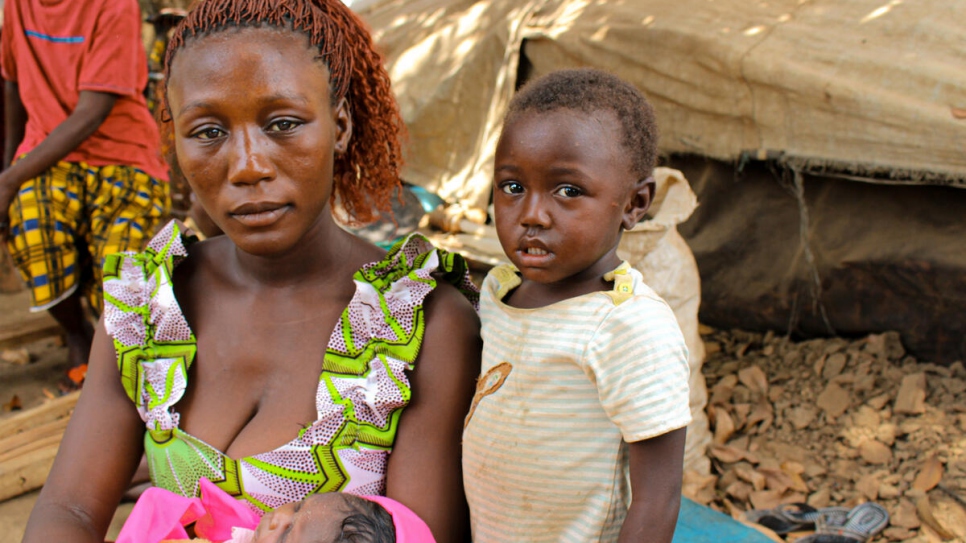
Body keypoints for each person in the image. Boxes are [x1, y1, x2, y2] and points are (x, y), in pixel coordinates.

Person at [20, 1, 481, 542]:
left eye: (283, 123)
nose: (247, 166)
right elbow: (69, 510)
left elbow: (418, 534)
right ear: (177, 144)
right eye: (209, 131)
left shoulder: (418, 325)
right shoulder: (146, 307)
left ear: (339, 126)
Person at [461, 68, 692, 543]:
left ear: (634, 203)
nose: (532, 215)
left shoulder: (627, 325)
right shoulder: (498, 293)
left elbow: (658, 496)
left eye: (568, 191)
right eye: (512, 187)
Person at [0, 0, 171, 383]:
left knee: (121, 272)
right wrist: (9, 169)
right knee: (32, 232)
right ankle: (77, 335)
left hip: (124, 154)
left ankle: (113, 356)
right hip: (44, 153)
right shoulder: (16, 5)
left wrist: (9, 180)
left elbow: (94, 109)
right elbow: (12, 85)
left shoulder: (114, 6)